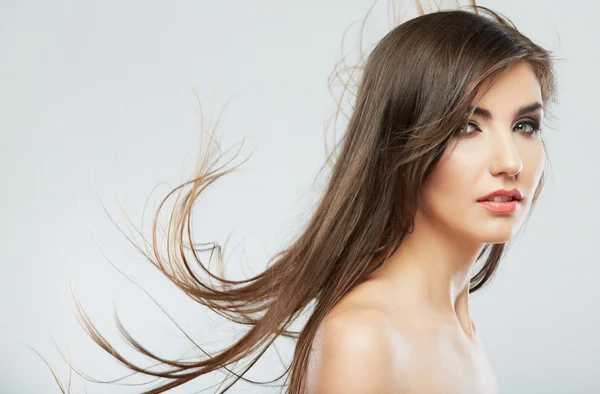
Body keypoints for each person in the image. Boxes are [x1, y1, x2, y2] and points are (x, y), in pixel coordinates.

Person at [49, 0, 557, 393]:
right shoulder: (366, 337)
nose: (510, 161)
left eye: (525, 125)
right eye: (468, 126)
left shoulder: (454, 318)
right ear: (400, 138)